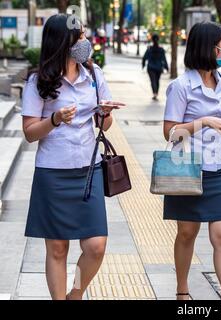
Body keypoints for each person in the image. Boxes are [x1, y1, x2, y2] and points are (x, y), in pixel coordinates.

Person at [21, 14, 125, 300]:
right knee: (57, 249)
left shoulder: (94, 75)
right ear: (62, 41)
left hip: (88, 172)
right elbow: (30, 133)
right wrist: (54, 119)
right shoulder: (38, 82)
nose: (85, 41)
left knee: (96, 246)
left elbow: (104, 125)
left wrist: (105, 115)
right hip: (53, 173)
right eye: (79, 36)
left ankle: (75, 293)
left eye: (83, 35)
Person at [162, 21, 221, 300]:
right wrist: (204, 121)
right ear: (210, 47)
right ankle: (182, 291)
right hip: (189, 168)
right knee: (187, 233)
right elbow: (170, 132)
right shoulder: (181, 87)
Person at [142, 34, 169, 101]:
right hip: (159, 67)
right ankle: (156, 92)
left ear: (152, 40)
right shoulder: (161, 49)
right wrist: (166, 67)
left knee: (153, 80)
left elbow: (144, 58)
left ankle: (154, 93)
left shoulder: (149, 49)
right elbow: (164, 59)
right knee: (157, 80)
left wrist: (143, 65)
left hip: (151, 67)